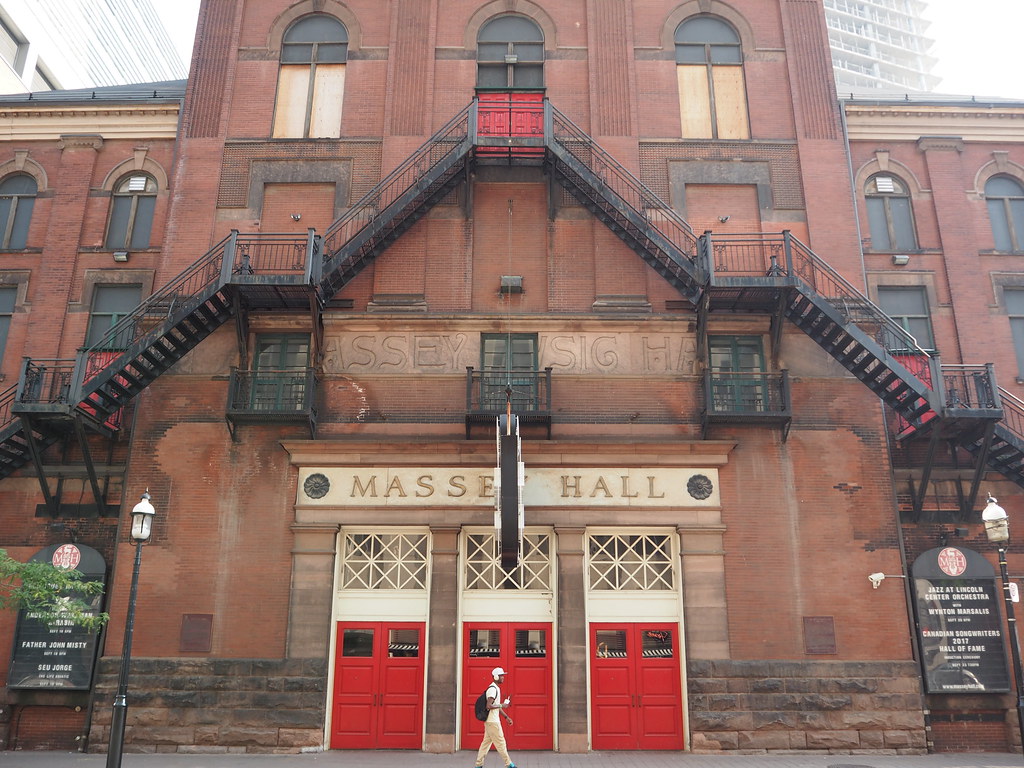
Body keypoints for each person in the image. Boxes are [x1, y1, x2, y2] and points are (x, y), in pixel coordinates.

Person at [475, 666, 516, 768]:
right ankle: (509, 764)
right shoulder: (493, 689)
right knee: (501, 743)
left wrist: (506, 717)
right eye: (501, 676)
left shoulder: (495, 688)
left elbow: (496, 706)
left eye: (503, 675)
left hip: (491, 721)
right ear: (496, 677)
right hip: (493, 722)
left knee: (485, 744)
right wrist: (502, 705)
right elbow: (489, 706)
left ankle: (478, 765)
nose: (503, 677)